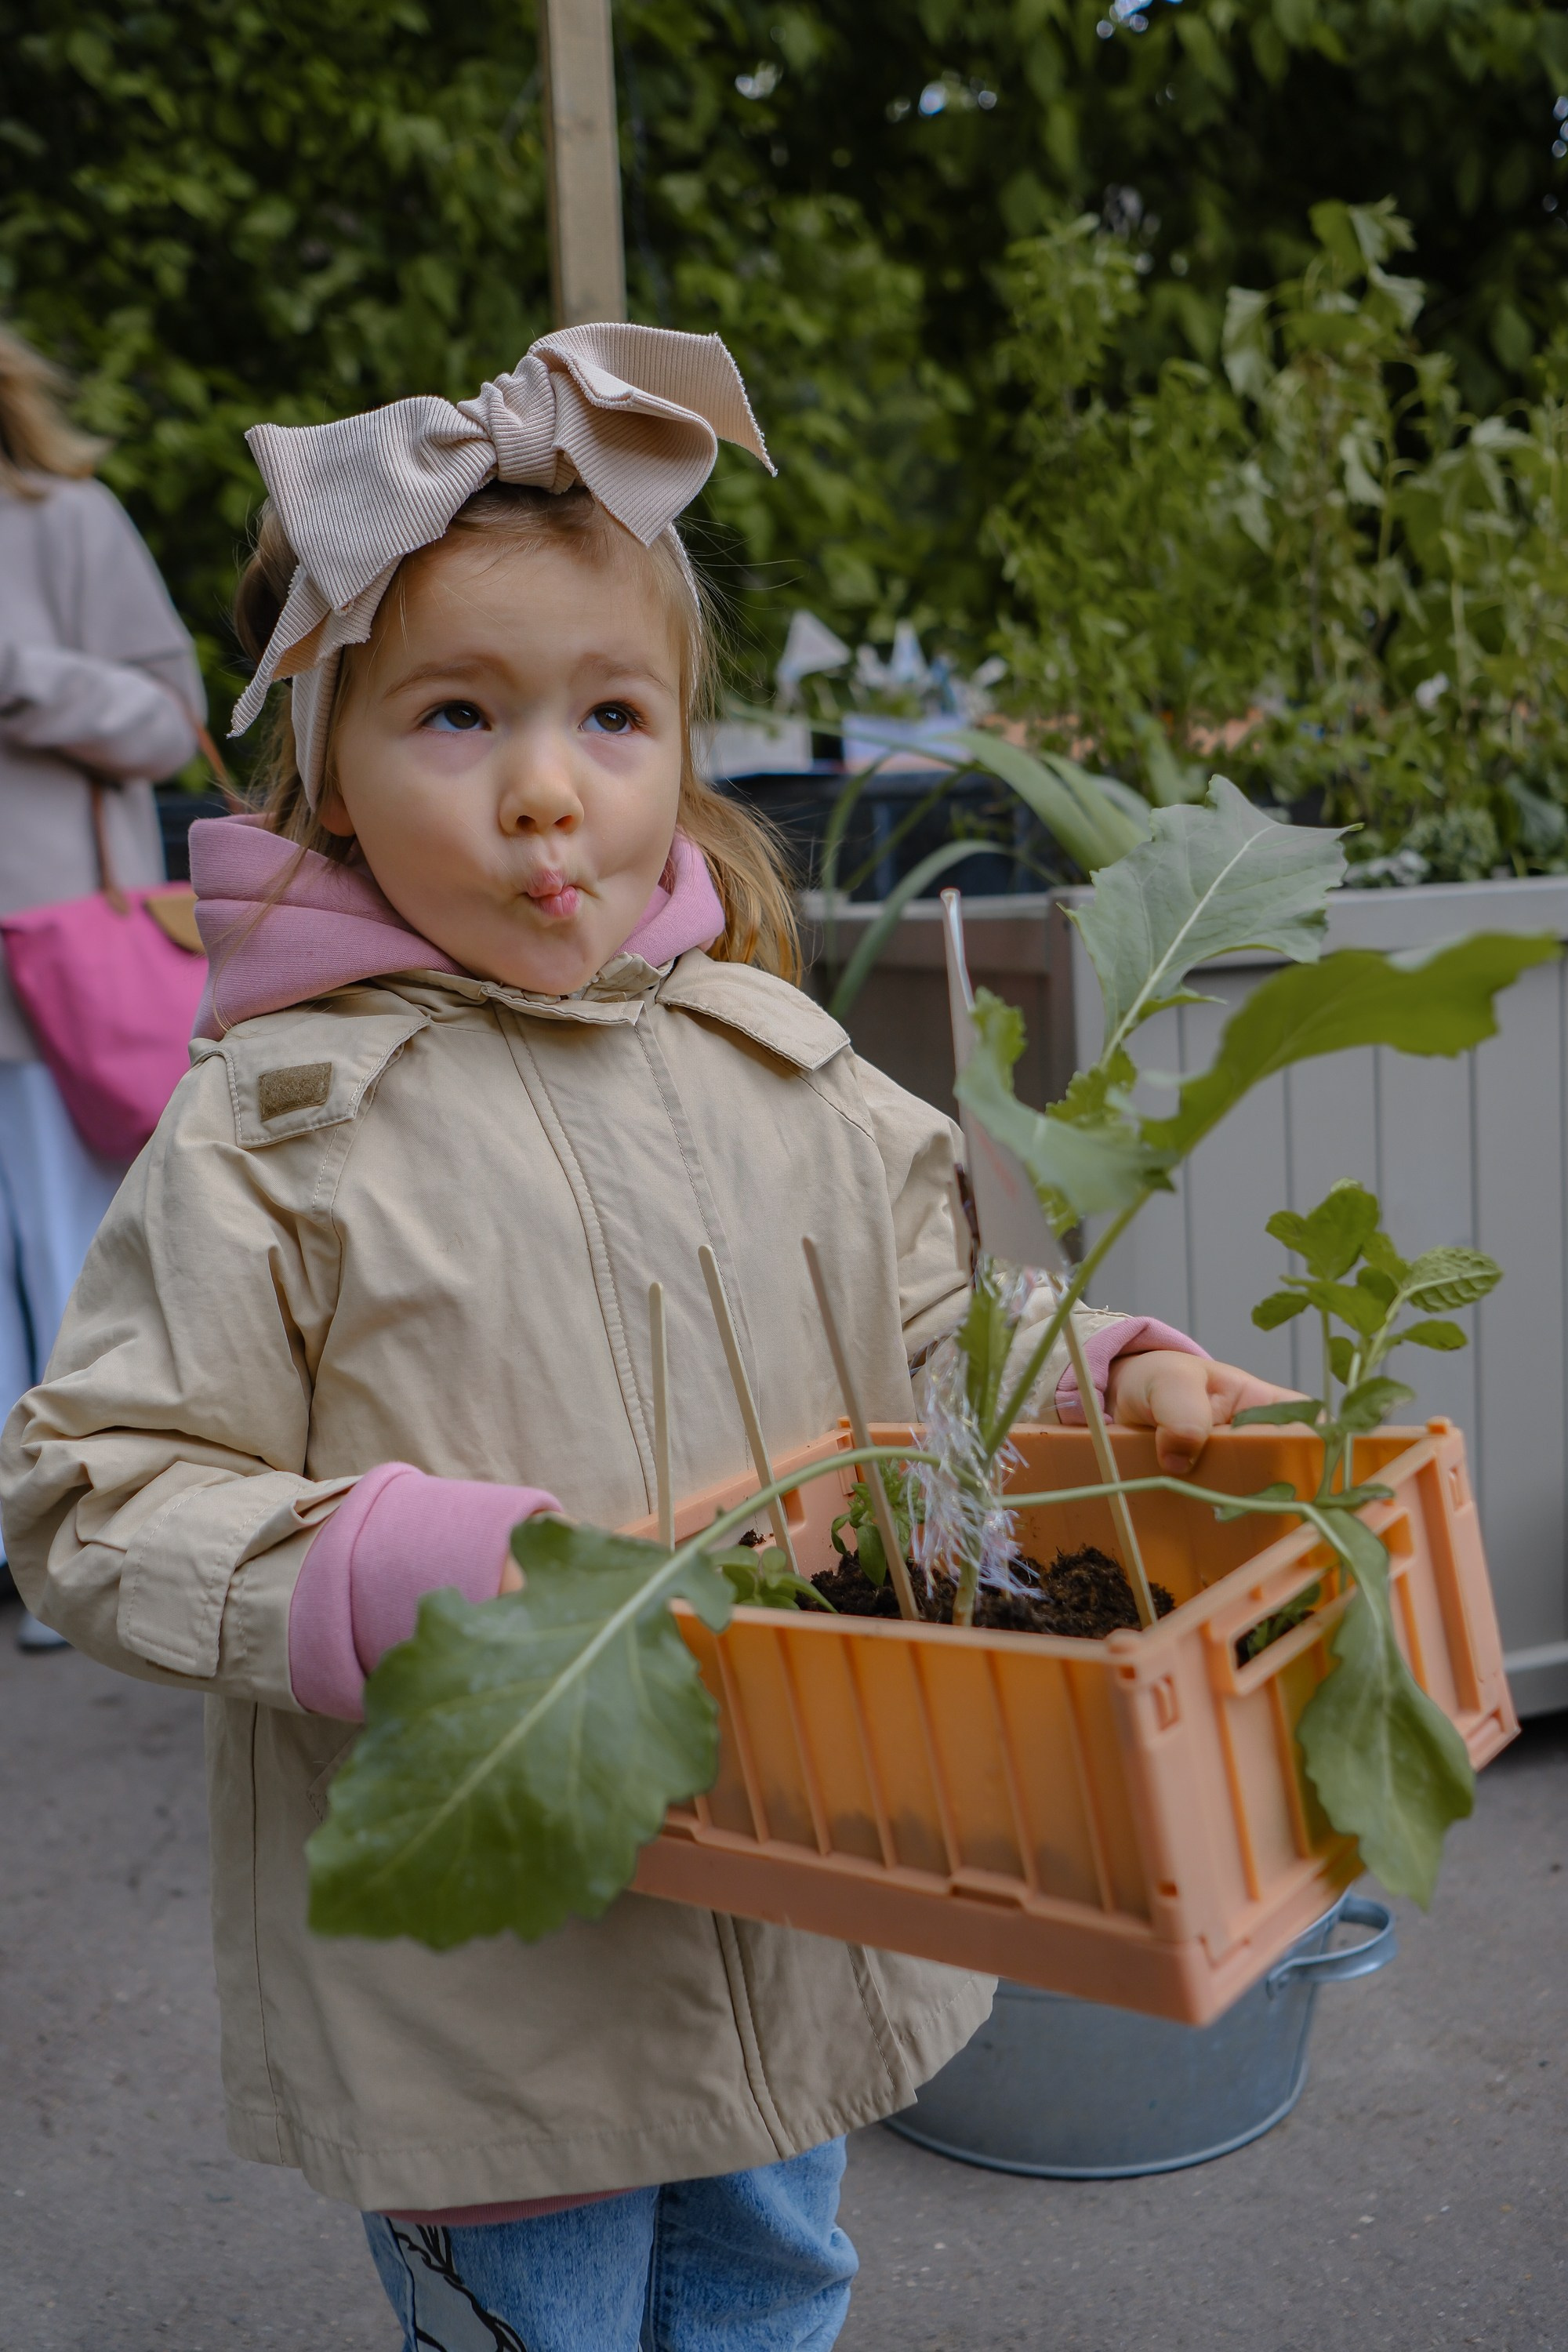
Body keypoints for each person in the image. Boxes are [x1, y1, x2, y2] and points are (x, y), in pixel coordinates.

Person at [0, 326, 1287, 2350]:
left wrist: (1106, 1363)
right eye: (451, 717)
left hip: (801, 1891)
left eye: (611, 716)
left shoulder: (783, 1063)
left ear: (684, 740)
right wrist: (384, 1573)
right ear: (322, 760)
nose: (543, 793)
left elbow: (941, 1336)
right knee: (547, 2320)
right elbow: (91, 1494)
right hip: (497, 1972)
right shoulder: (275, 1127)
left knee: (779, 2278)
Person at [0, 323, 204, 1650]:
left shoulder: (61, 518)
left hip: (50, 982)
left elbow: (171, 715)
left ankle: (70, 1548)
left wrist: (20, 676)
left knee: (68, 1258)